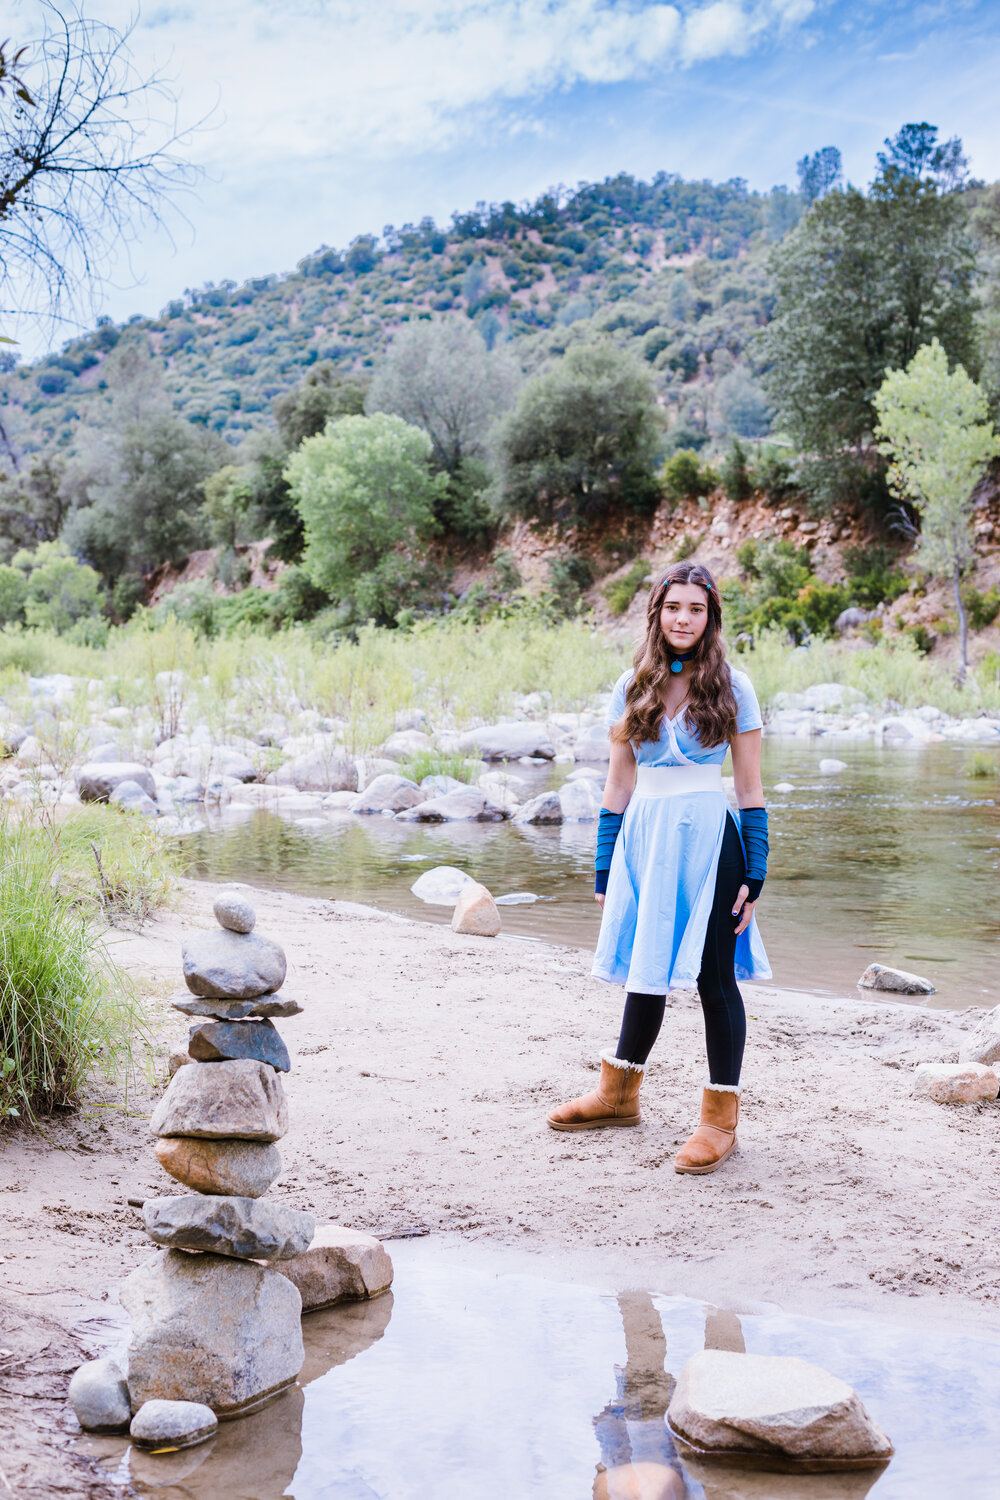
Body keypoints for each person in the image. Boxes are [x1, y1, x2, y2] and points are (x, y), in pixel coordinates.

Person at [547, 561, 771, 1174]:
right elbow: (617, 783)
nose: (684, 619)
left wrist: (757, 872)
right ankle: (618, 1095)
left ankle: (719, 1119)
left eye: (697, 610)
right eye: (675, 607)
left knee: (712, 976)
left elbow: (749, 788)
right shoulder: (632, 684)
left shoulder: (734, 686)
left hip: (710, 838)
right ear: (658, 612)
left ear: (710, 617)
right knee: (644, 964)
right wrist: (603, 866)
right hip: (645, 836)